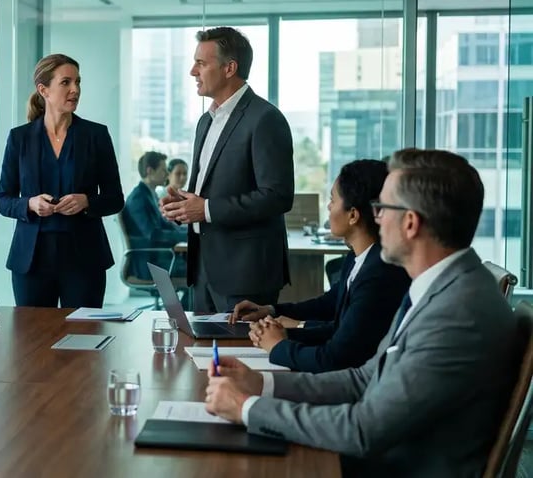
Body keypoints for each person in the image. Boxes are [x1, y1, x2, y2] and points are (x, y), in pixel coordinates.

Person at [204, 149, 518, 477]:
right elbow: (364, 379)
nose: (376, 216)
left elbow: (363, 431)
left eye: (382, 207)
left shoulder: (458, 313)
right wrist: (262, 384)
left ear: (410, 223)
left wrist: (247, 408)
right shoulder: (439, 287)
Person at [229, 159, 410, 373]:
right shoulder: (358, 257)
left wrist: (278, 346)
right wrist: (272, 312)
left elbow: (334, 358)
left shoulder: (379, 273)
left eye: (333, 200)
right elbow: (331, 306)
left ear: (353, 215)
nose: (329, 206)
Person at [160, 26, 294, 313]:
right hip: (203, 271)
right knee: (203, 357)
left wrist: (206, 209)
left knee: (246, 358)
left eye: (201, 63)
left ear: (229, 68)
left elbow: (277, 196)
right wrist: (182, 207)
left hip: (247, 275)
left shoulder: (265, 119)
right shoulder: (204, 122)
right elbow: (207, 193)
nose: (192, 72)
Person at [0, 53, 124, 308]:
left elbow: (115, 199)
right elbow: (4, 200)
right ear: (43, 90)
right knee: (32, 340)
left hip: (84, 258)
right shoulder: (20, 138)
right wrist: (30, 204)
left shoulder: (96, 135)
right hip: (31, 260)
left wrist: (86, 201)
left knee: (83, 338)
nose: (75, 89)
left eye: (77, 82)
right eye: (66, 82)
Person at [122, 151, 187, 281]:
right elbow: (153, 234)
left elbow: (166, 225)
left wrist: (190, 231)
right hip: (151, 263)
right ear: (150, 171)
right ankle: (185, 302)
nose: (167, 174)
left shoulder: (148, 195)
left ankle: (185, 302)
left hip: (158, 258)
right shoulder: (138, 198)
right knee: (201, 268)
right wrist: (186, 235)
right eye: (163, 170)